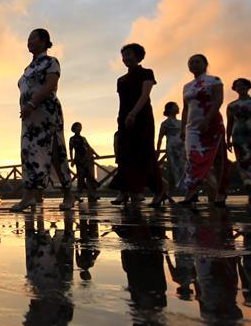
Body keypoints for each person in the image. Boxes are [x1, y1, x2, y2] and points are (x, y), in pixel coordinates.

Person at [11, 28, 75, 212]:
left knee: (54, 152)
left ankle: (68, 194)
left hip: (46, 115)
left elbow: (50, 85)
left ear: (44, 40)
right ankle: (28, 196)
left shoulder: (51, 62)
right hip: (29, 118)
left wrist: (31, 103)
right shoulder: (28, 68)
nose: (29, 41)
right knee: (27, 152)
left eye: (33, 38)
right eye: (28, 38)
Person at [110, 43, 165, 207]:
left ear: (138, 56)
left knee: (144, 153)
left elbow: (145, 95)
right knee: (124, 154)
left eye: (129, 54)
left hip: (142, 117)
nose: (126, 58)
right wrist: (122, 118)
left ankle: (159, 190)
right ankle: (124, 190)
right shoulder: (121, 80)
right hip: (124, 118)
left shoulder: (146, 73)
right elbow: (121, 102)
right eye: (124, 55)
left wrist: (133, 113)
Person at [180, 54, 228, 206]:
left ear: (205, 64)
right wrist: (183, 128)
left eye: (197, 62)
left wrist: (207, 119)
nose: (193, 65)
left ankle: (220, 193)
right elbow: (185, 109)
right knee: (193, 158)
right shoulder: (187, 86)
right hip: (191, 127)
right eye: (190, 62)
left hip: (210, 123)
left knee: (216, 158)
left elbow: (218, 100)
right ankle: (191, 192)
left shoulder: (214, 81)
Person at [226, 78, 251, 206]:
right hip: (238, 136)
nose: (240, 88)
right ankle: (250, 192)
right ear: (234, 89)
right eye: (237, 86)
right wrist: (227, 139)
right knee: (243, 164)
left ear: (248, 87)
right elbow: (230, 123)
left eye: (242, 85)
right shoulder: (231, 105)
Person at [157, 101, 185, 196]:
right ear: (169, 109)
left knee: (183, 167)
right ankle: (174, 190)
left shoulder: (181, 122)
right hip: (172, 148)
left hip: (182, 148)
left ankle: (183, 189)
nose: (178, 107)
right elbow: (160, 138)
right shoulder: (165, 123)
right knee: (173, 169)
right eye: (175, 106)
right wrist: (158, 151)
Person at [68, 122, 99, 202]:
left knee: (89, 177)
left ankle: (91, 195)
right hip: (79, 160)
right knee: (81, 177)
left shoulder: (83, 138)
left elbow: (88, 147)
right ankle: (79, 195)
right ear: (74, 129)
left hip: (86, 159)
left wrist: (96, 154)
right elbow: (70, 149)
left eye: (80, 127)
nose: (79, 128)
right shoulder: (72, 139)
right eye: (77, 127)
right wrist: (72, 160)